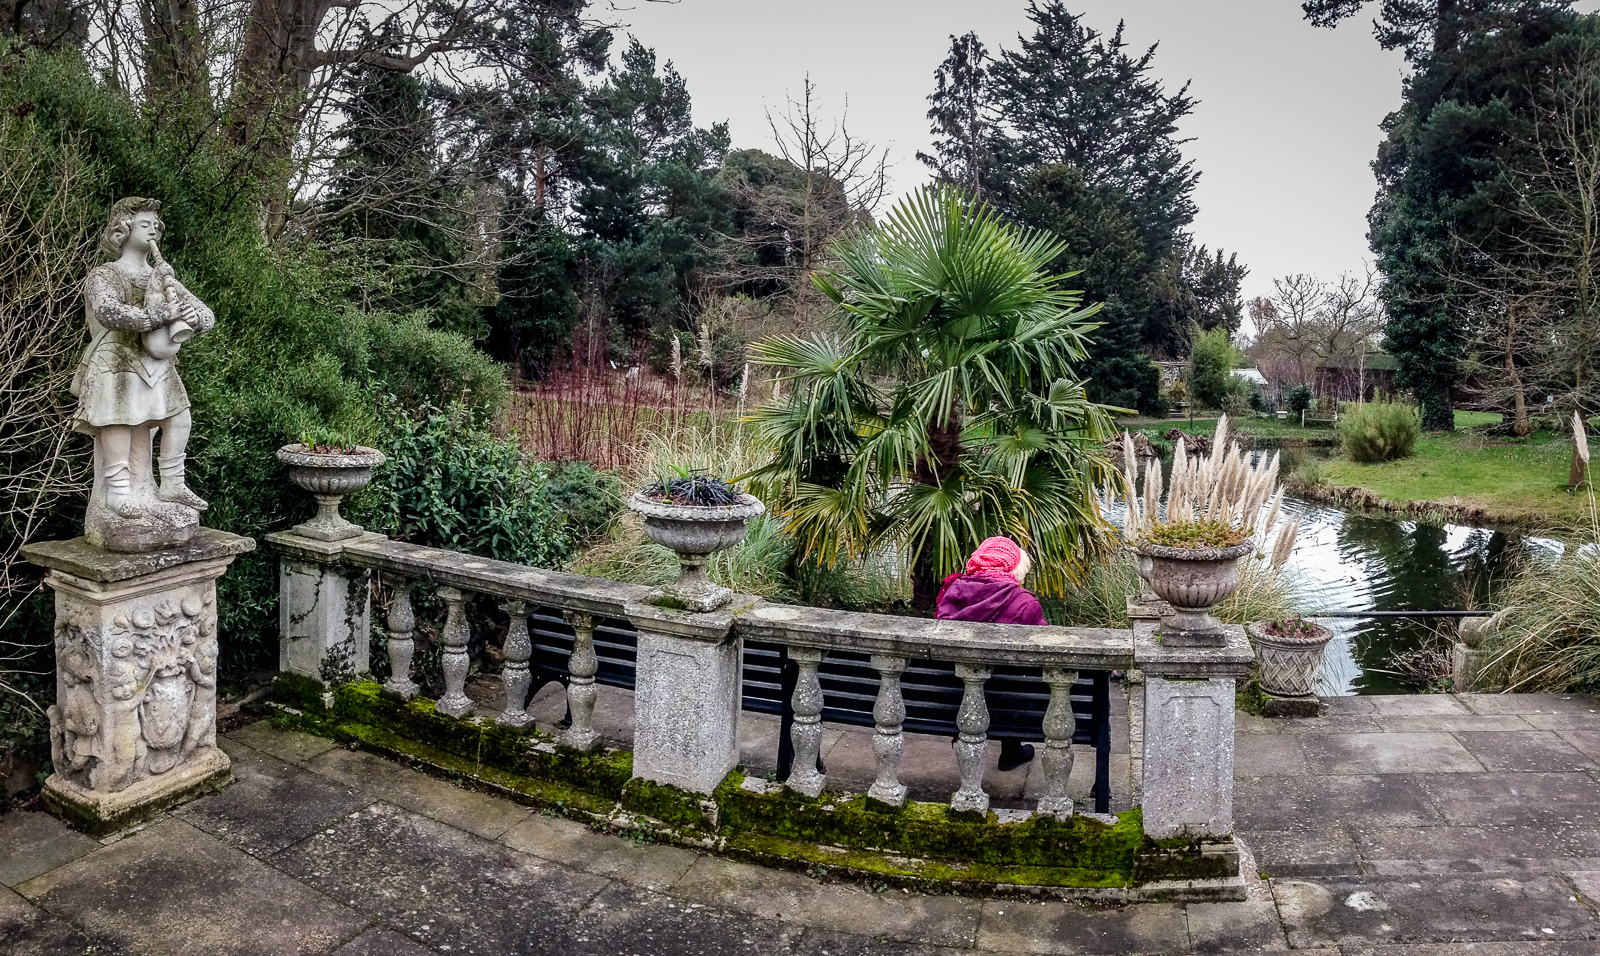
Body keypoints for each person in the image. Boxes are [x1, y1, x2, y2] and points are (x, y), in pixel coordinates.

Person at [935, 536, 1047, 770]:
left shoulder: (951, 593)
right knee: (1014, 680)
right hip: (1010, 706)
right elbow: (1046, 652)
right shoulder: (1025, 603)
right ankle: (1011, 751)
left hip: (952, 700)